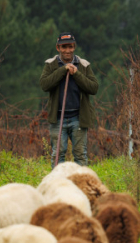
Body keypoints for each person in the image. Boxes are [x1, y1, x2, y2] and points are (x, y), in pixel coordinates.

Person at [40, 32, 99, 167]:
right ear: (58, 48)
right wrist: (62, 70)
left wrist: (76, 74)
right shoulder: (50, 65)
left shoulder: (83, 65)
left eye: (70, 47)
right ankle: (56, 185)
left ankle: (81, 185)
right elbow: (44, 85)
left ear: (74, 47)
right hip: (57, 118)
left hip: (78, 118)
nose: (68, 50)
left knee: (80, 155)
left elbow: (94, 88)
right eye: (64, 47)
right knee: (58, 155)